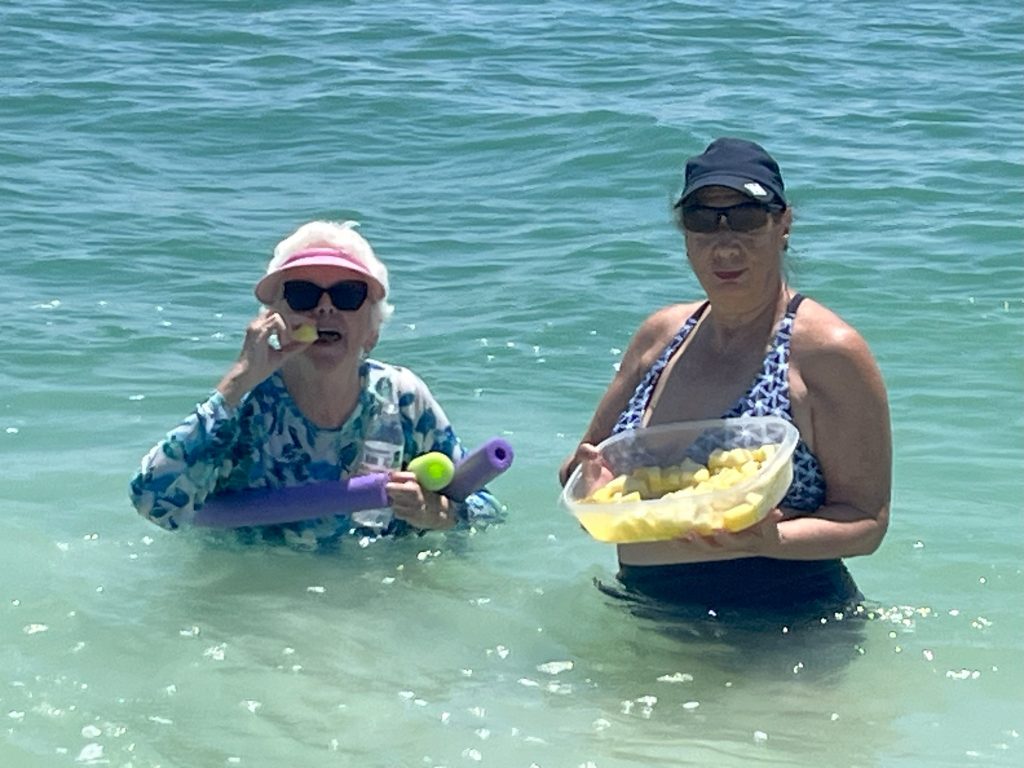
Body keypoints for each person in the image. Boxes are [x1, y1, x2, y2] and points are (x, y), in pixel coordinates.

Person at [560, 138, 891, 614]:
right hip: (644, 611)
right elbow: (581, 468)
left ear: (783, 224)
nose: (725, 244)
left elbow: (866, 522)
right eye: (702, 219)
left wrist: (769, 539)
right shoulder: (660, 336)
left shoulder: (826, 352)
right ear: (685, 234)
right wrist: (592, 485)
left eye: (746, 217)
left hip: (783, 623)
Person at [131, 220, 503, 549]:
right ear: (274, 320)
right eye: (303, 294)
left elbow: (489, 512)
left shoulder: (402, 398)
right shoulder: (244, 407)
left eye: (347, 295)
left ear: (372, 329)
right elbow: (151, 503)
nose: (325, 308)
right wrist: (238, 380)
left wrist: (438, 514)